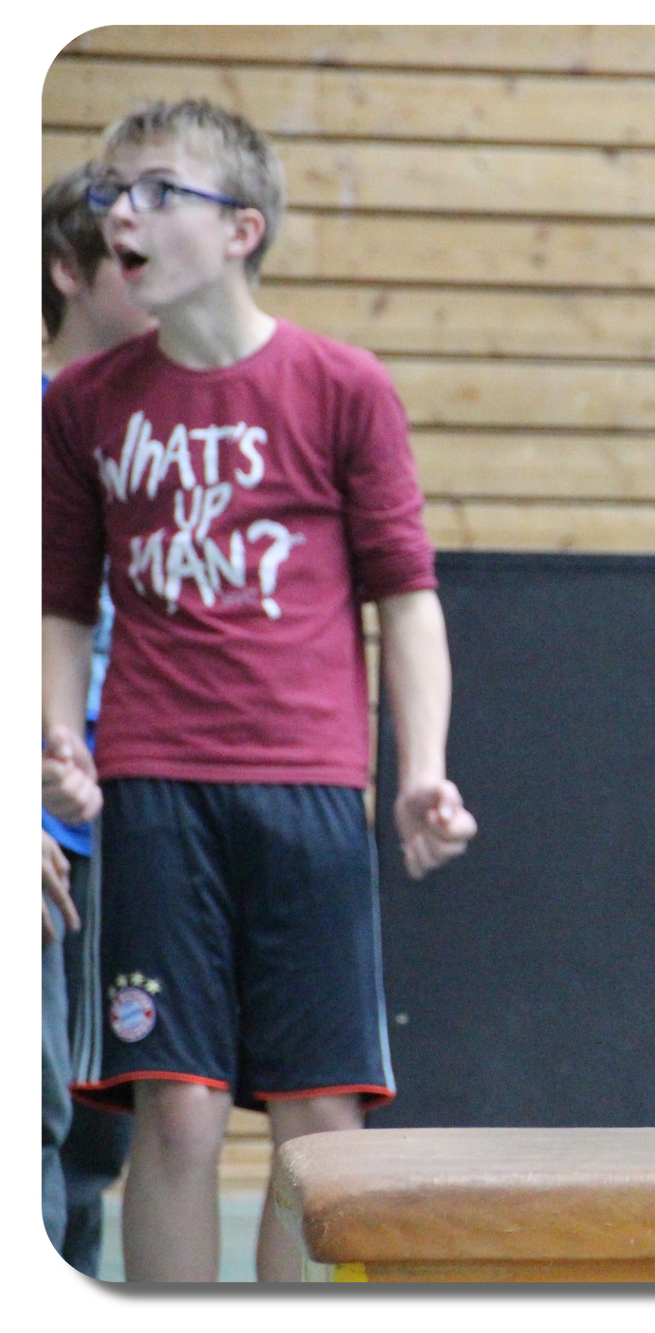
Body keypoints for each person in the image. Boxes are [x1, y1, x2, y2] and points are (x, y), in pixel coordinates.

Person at [41, 99, 479, 1282]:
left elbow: (407, 597)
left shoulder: (342, 387)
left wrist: (422, 771)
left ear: (241, 229)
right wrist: (59, 738)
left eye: (156, 191)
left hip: (309, 790)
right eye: (111, 194)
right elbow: (63, 603)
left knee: (317, 1124)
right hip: (154, 790)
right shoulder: (86, 406)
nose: (121, 215)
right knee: (176, 1107)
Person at [40, 163, 156, 1273]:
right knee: (45, 1121)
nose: (152, 276)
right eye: (125, 260)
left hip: (136, 817)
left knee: (101, 1130)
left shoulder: (165, 426)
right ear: (66, 273)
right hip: (47, 820)